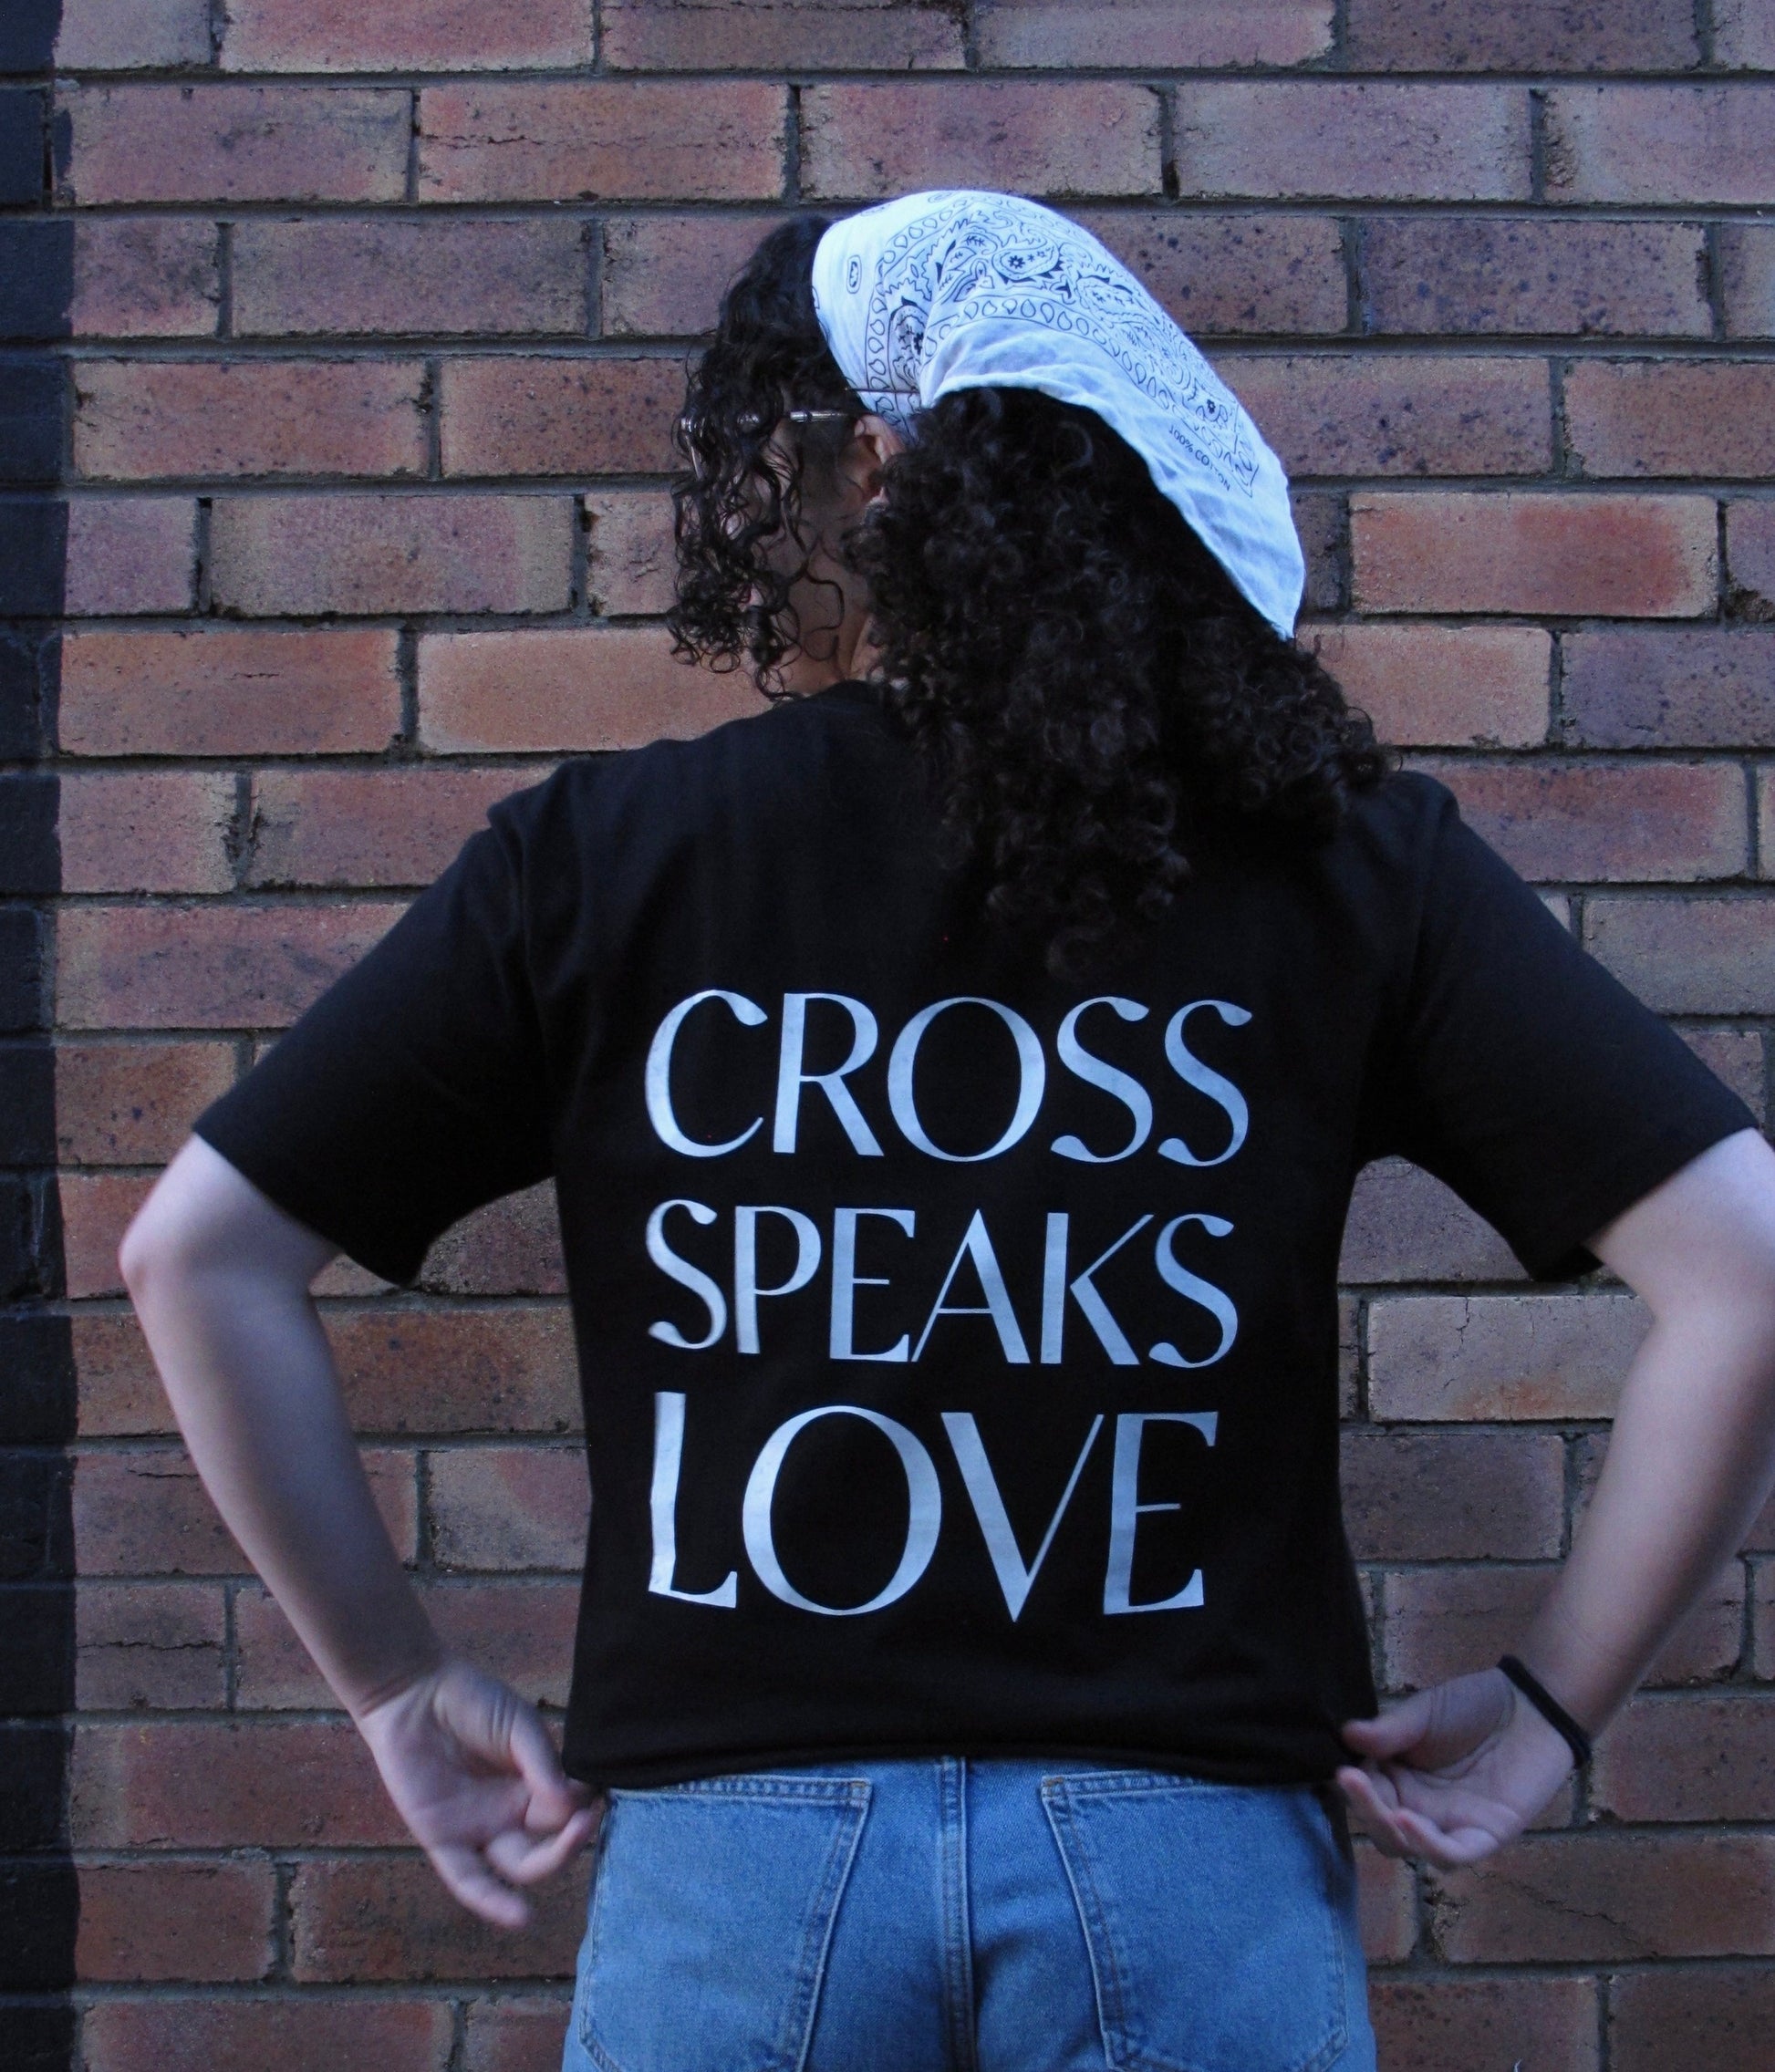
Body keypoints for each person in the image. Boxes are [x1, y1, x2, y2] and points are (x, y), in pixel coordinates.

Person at [119, 191, 1775, 2072]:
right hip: (1193, 1851)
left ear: (880, 458)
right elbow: (1745, 1270)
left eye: (775, 459)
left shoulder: (607, 855)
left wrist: (397, 1680)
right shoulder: (1345, 860)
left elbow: (195, 1253)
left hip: (739, 1861)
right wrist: (1559, 1702)